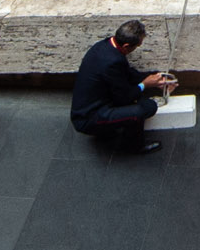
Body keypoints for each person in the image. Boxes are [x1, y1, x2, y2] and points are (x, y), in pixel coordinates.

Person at [71, 19, 174, 154]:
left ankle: (110, 129)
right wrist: (145, 85)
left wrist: (155, 78)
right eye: (137, 46)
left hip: (91, 105)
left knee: (138, 99)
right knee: (146, 108)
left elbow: (126, 73)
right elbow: (124, 97)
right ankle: (134, 146)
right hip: (89, 118)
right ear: (126, 46)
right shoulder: (112, 62)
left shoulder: (106, 46)